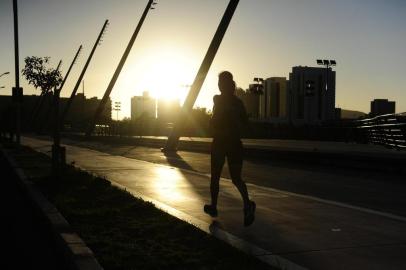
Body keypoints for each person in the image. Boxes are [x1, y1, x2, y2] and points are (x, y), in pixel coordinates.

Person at [204, 71, 256, 227]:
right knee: (225, 177)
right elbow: (244, 124)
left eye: (222, 82)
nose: (219, 85)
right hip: (227, 143)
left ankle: (243, 205)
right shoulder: (226, 101)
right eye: (219, 82)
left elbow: (243, 124)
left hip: (227, 143)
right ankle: (220, 205)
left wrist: (231, 121)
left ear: (228, 84)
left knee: (226, 177)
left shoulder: (229, 102)